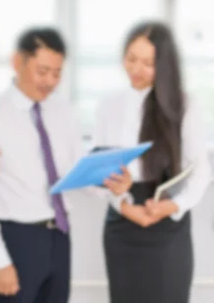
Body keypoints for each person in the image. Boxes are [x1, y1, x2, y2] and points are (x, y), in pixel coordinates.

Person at [93, 21, 211, 303]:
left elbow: (201, 171)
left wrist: (173, 206)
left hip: (167, 218)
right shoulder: (108, 106)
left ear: (165, 64)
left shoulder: (185, 104)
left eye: (148, 62)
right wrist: (123, 204)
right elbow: (99, 171)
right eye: (131, 59)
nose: (136, 69)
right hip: (122, 224)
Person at [0, 28, 82, 303]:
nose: (50, 81)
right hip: (16, 239)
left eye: (57, 73)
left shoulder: (63, 109)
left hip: (59, 235)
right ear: (17, 62)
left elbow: (73, 169)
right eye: (42, 71)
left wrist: (104, 178)